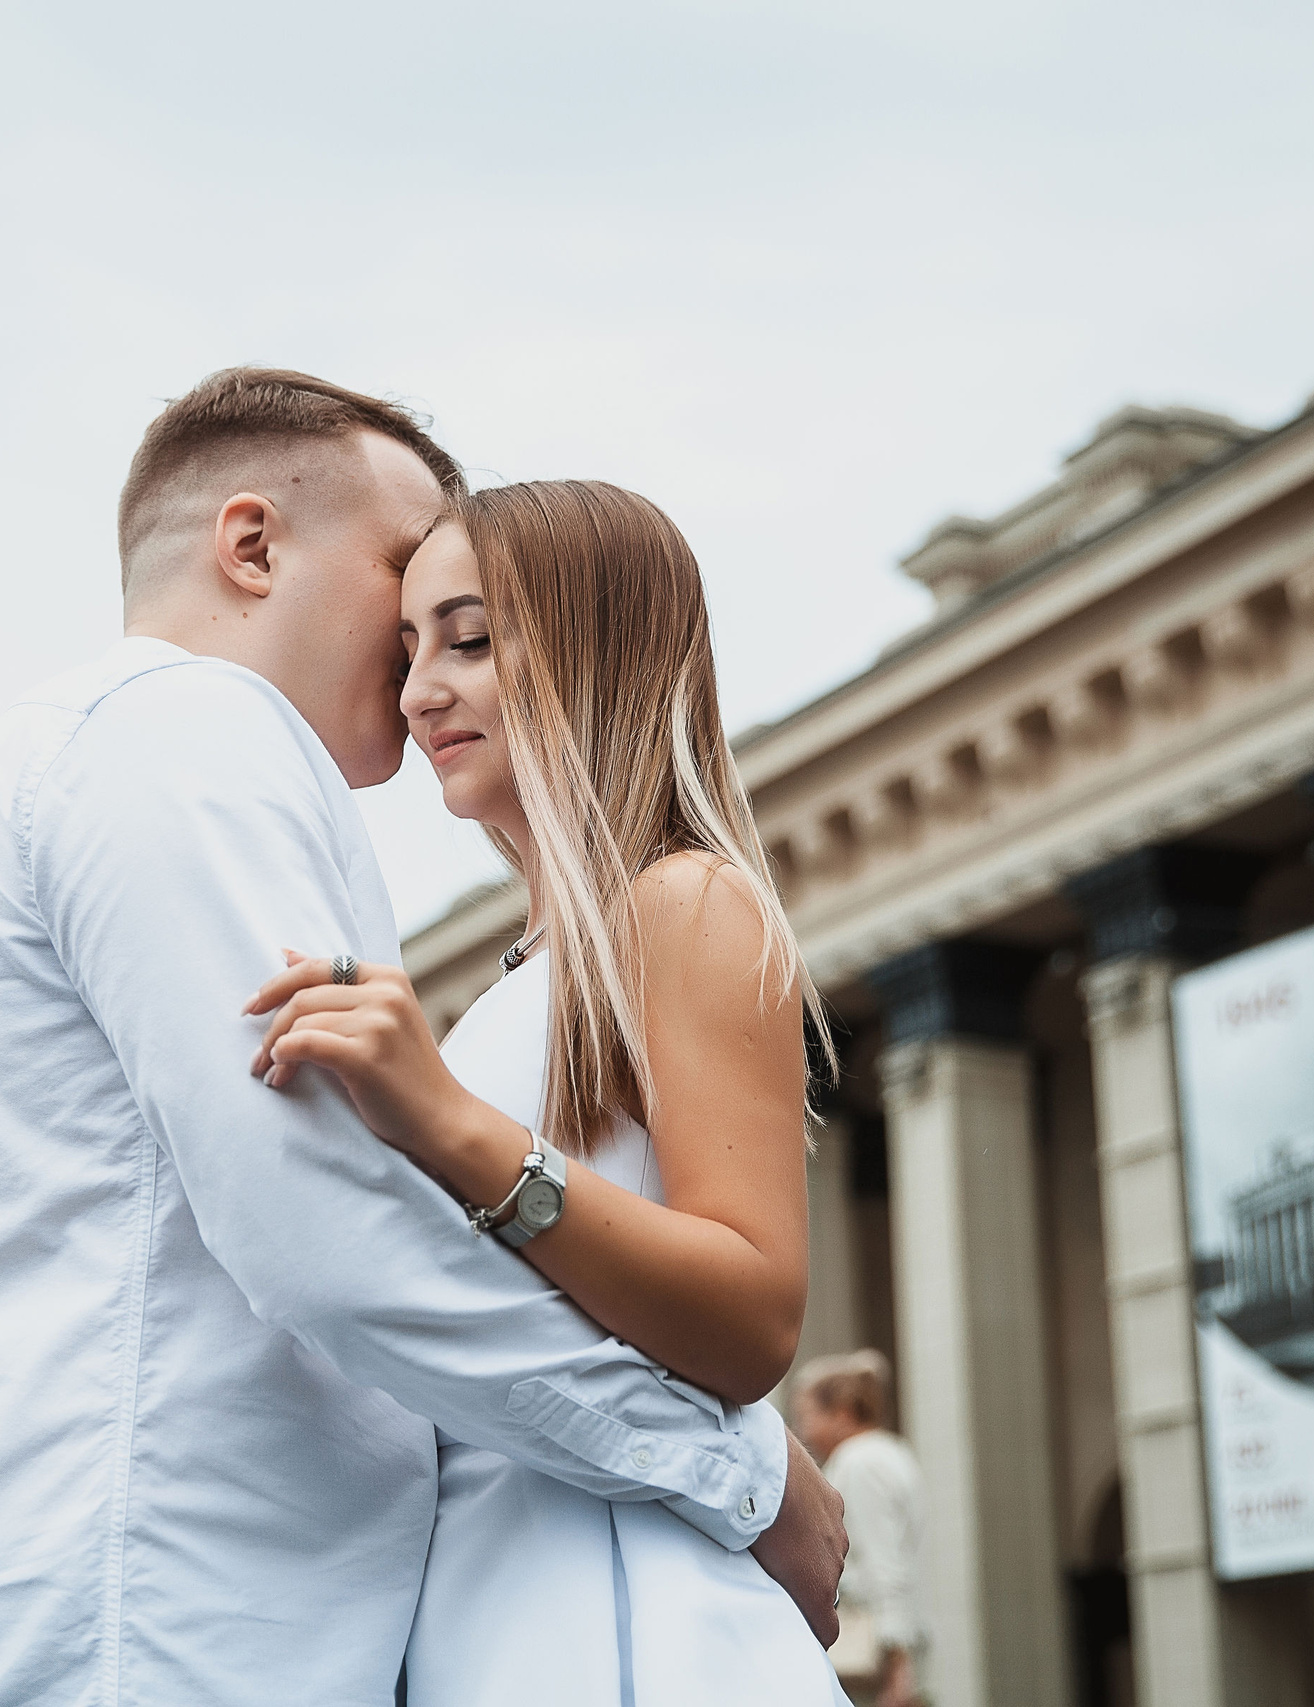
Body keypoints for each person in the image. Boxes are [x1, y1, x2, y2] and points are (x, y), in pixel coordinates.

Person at [0, 370, 846, 1706]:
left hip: (411, 1617)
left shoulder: (124, 755)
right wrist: (742, 1470)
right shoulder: (186, 730)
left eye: (466, 630)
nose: (417, 672)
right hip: (148, 1629)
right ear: (253, 545)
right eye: (400, 587)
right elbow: (332, 1232)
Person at [244, 479, 852, 1704]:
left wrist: (451, 1128)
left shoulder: (682, 902)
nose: (420, 693)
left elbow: (752, 1317)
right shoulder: (522, 971)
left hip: (626, 1612)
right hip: (492, 1594)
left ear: (597, 647)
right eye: (409, 648)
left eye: (469, 640)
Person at [793, 1352, 926, 1707]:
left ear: (842, 1412)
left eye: (808, 1415)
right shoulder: (892, 1452)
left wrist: (898, 1663)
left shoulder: (860, 1461)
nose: (801, 1430)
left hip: (874, 1656)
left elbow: (884, 1563)